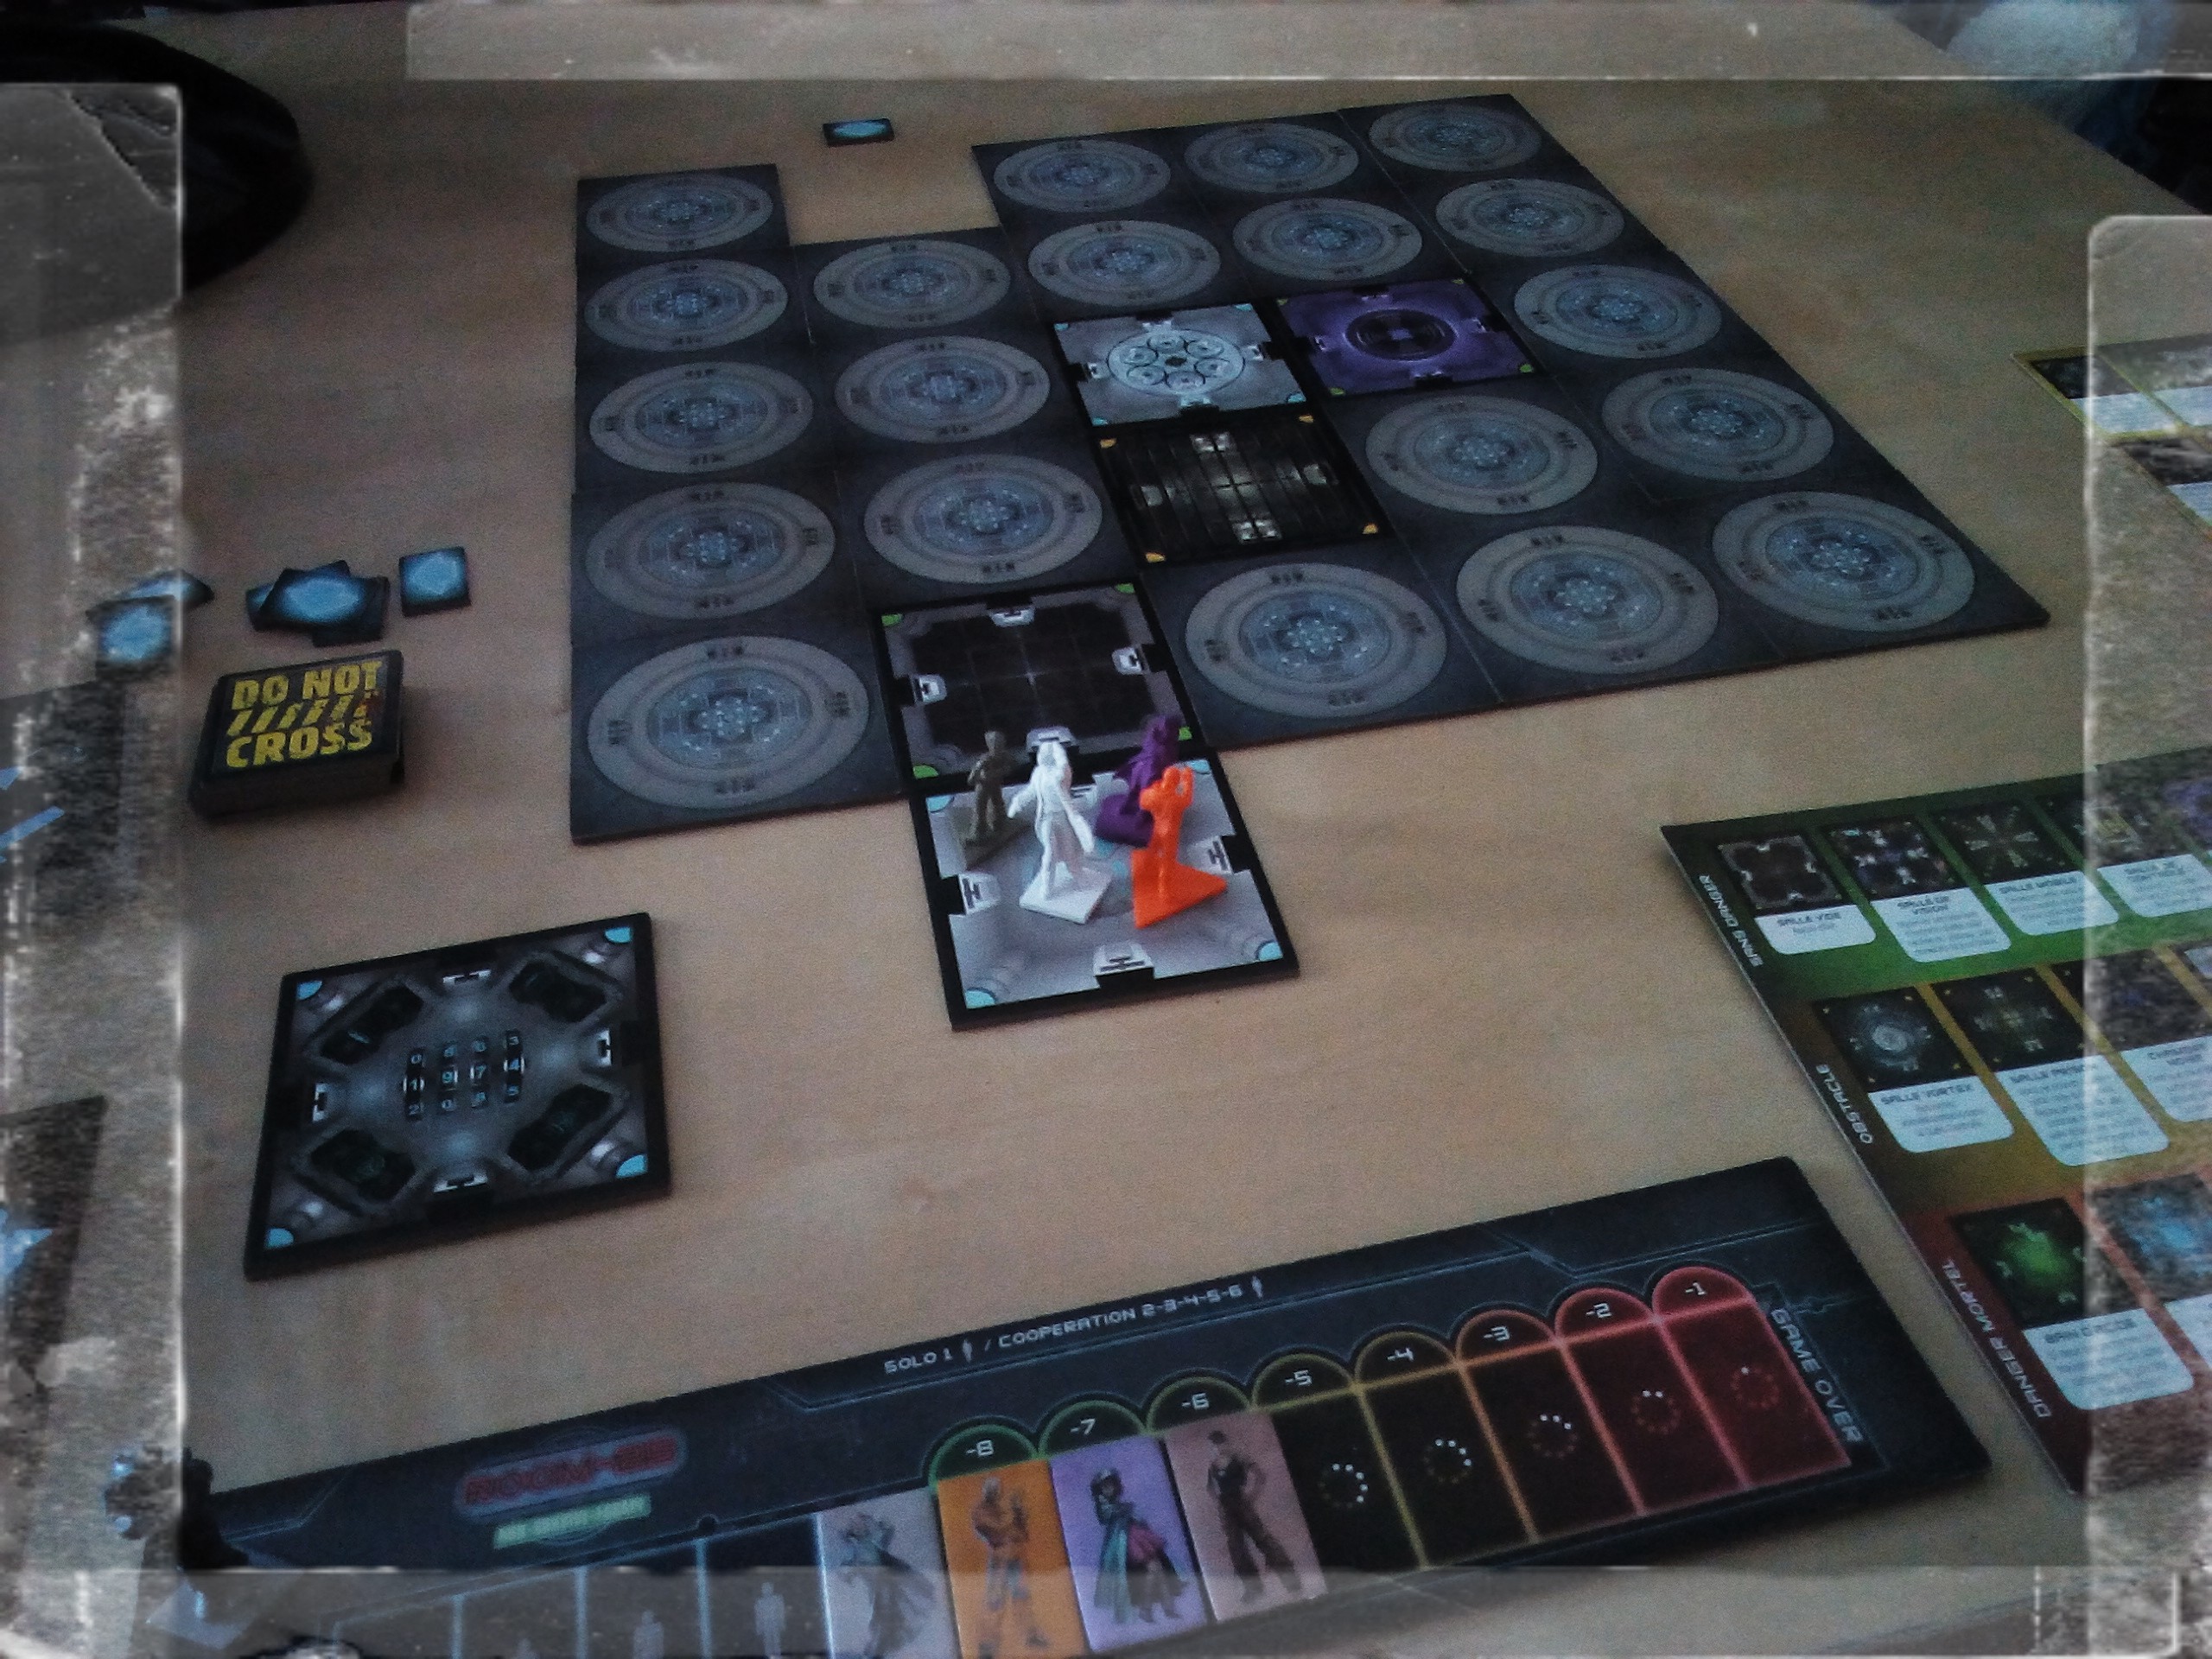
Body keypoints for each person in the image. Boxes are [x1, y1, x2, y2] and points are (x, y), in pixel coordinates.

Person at [1006, 740, 1108, 920]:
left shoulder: (1061, 773)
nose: (1042, 758)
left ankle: (1077, 873)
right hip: (1047, 818)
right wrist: (1018, 802)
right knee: (1050, 851)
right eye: (1041, 755)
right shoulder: (1038, 773)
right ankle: (1047, 884)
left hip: (1063, 817)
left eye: (1046, 755)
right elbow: (1031, 791)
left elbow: (1063, 766)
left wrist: (1056, 750)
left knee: (1069, 852)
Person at [1205, 1429, 1302, 1604]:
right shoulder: (1213, 1466)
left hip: (1242, 1503)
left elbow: (1260, 1476)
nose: (1218, 1449)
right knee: (1237, 1550)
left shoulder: (1239, 1459)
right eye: (1214, 1446)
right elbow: (1210, 1488)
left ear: (1226, 1443)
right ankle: (1253, 1589)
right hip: (1226, 1509)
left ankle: (1292, 1583)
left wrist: (1251, 1496)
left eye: (1220, 1444)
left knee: (1264, 1541)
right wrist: (1219, 1502)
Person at [835, 1508, 937, 1659]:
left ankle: (880, 1647)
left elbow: (888, 1530)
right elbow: (849, 1567)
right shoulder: (856, 1547)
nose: (859, 1526)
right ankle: (877, 1648)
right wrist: (848, 1574)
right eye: (856, 1525)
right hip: (873, 1585)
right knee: (880, 1614)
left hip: (885, 1582)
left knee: (888, 1612)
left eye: (862, 1523)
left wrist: (878, 1522)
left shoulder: (874, 1540)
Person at [1087, 1467, 1185, 1625]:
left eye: (1111, 1484)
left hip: (1136, 1535)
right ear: (1100, 1490)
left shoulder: (1119, 1504)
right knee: (1154, 1569)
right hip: (1125, 1542)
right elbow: (1106, 1516)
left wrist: (1134, 1517)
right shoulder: (1103, 1506)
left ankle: (1160, 1608)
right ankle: (1156, 1609)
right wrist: (1124, 1510)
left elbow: (1129, 1515)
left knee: (1157, 1569)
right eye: (1105, 1486)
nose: (1109, 1488)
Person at [969, 1478, 1049, 1656]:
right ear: (986, 1491)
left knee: (1022, 1598)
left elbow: (1022, 1532)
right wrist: (1012, 1514)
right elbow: (993, 1530)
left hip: (1015, 1559)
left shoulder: (1003, 1508)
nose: (996, 1492)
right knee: (994, 1601)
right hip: (999, 1561)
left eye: (997, 1489)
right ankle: (987, 1644)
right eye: (992, 1489)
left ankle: (1030, 1636)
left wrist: (1018, 1511)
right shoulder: (981, 1510)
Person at [753, 1580, 786, 1659]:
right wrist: (759, 1628)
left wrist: (782, 1623)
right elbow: (758, 1616)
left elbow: (781, 1612)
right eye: (765, 1588)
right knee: (768, 1643)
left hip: (775, 1624)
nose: (767, 1590)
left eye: (768, 1588)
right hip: (766, 1625)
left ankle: (778, 1657)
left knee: (776, 1642)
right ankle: (769, 1656)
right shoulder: (760, 1602)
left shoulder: (777, 1599)